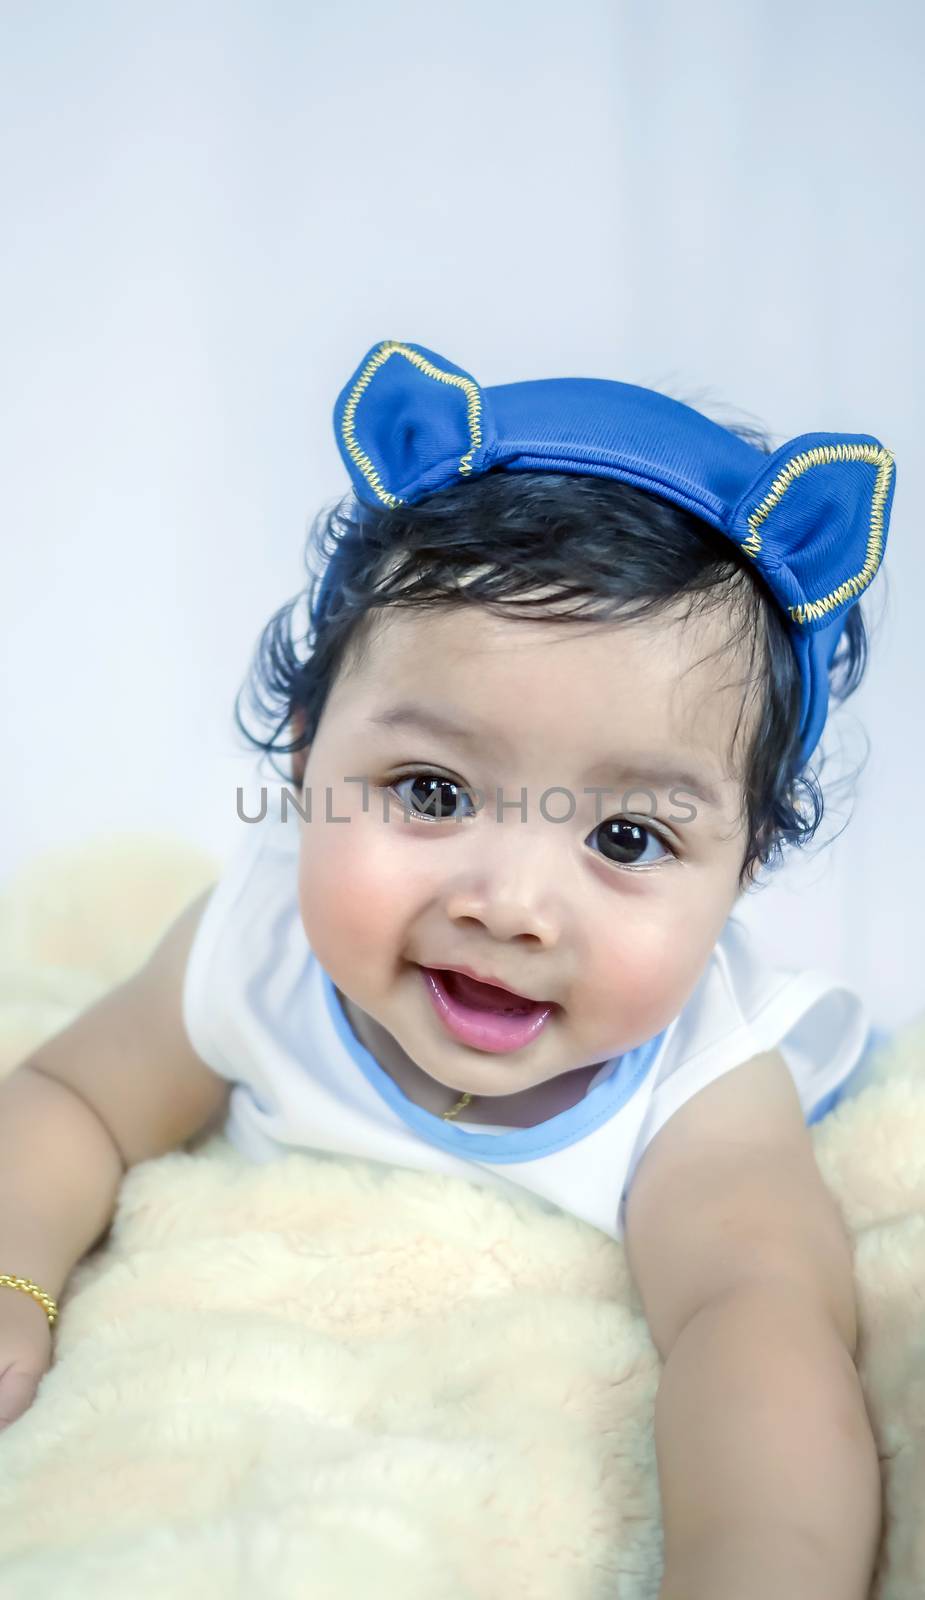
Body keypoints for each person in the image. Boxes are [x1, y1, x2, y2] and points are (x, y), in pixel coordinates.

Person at [0, 340, 895, 1596]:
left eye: (626, 837)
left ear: (742, 868)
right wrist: (17, 1274)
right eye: (430, 790)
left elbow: (753, 1328)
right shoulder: (254, 945)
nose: (513, 905)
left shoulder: (701, 1078)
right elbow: (71, 1099)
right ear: (308, 757)